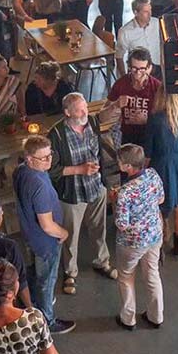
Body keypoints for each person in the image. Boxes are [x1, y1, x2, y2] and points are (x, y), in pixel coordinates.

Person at [49, 92, 117, 296]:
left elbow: (103, 117)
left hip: (96, 187)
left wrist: (116, 105)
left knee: (99, 228)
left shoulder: (92, 123)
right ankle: (70, 272)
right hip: (73, 193)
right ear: (67, 112)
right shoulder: (56, 135)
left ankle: (102, 261)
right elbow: (52, 170)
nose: (85, 112)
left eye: (85, 107)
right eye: (79, 110)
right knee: (71, 234)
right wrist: (80, 170)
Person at [14, 135, 75, 334]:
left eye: (50, 155)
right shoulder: (38, 185)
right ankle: (47, 321)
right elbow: (47, 225)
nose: (49, 161)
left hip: (29, 236)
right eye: (43, 158)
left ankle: (31, 304)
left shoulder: (21, 171)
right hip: (45, 242)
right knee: (47, 281)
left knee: (33, 273)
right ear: (29, 158)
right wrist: (64, 232)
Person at [113, 144, 165, 331]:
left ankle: (128, 318)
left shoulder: (125, 192)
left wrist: (114, 200)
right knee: (152, 274)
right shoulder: (153, 175)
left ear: (128, 166)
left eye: (120, 161)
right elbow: (161, 199)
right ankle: (156, 316)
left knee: (126, 276)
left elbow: (121, 223)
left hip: (132, 242)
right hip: (155, 235)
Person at [145, 92, 178, 257]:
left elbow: (148, 150)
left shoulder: (155, 120)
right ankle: (177, 242)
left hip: (161, 164)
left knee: (159, 206)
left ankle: (161, 239)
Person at [115, 0, 162, 76]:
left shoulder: (157, 23)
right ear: (136, 13)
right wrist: (124, 76)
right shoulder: (125, 31)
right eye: (146, 11)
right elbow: (119, 55)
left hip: (158, 69)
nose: (150, 14)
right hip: (138, 72)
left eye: (150, 10)